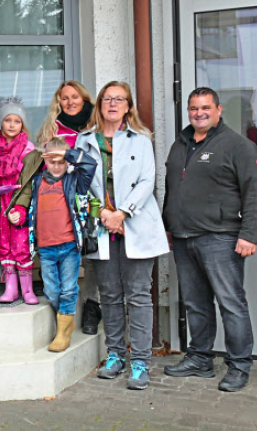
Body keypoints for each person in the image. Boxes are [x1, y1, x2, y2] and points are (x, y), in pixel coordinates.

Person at [162, 87, 257, 392]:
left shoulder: (238, 145)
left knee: (231, 303)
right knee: (195, 303)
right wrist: (169, 226)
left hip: (220, 238)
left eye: (205, 107)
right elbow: (172, 189)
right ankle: (200, 358)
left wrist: (248, 234)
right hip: (182, 237)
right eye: (194, 108)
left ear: (218, 110)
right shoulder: (180, 144)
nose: (199, 113)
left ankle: (239, 365)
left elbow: (255, 192)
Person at [77, 81, 169, 391]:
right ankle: (115, 354)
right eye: (107, 99)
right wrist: (103, 213)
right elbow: (80, 184)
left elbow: (147, 181)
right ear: (100, 104)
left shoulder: (140, 140)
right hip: (101, 225)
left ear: (128, 106)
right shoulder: (84, 140)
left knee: (139, 295)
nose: (113, 104)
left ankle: (141, 360)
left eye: (120, 99)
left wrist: (122, 213)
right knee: (110, 294)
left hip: (135, 223)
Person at [37, 80, 103, 335]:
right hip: (62, 201)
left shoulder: (96, 127)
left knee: (93, 255)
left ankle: (91, 304)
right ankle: (67, 307)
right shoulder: (52, 129)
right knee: (68, 253)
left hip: (93, 195)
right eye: (64, 98)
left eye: (75, 97)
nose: (70, 102)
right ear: (58, 101)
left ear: (84, 99)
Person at [27, 139, 97, 352]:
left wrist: (66, 153)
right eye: (52, 162)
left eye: (61, 162)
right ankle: (67, 320)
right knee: (51, 291)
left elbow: (90, 164)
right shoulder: (37, 181)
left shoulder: (75, 180)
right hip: (46, 248)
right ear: (45, 161)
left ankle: (63, 332)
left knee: (68, 290)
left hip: (68, 245)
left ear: (67, 161)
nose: (56, 166)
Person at [0, 97, 39, 305]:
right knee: (4, 244)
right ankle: (10, 288)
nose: (12, 125)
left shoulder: (28, 149)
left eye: (16, 121)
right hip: (2, 202)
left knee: (21, 245)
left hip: (20, 203)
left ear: (22, 124)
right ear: (1, 122)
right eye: (7, 120)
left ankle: (27, 289)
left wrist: (21, 206)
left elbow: (29, 182)